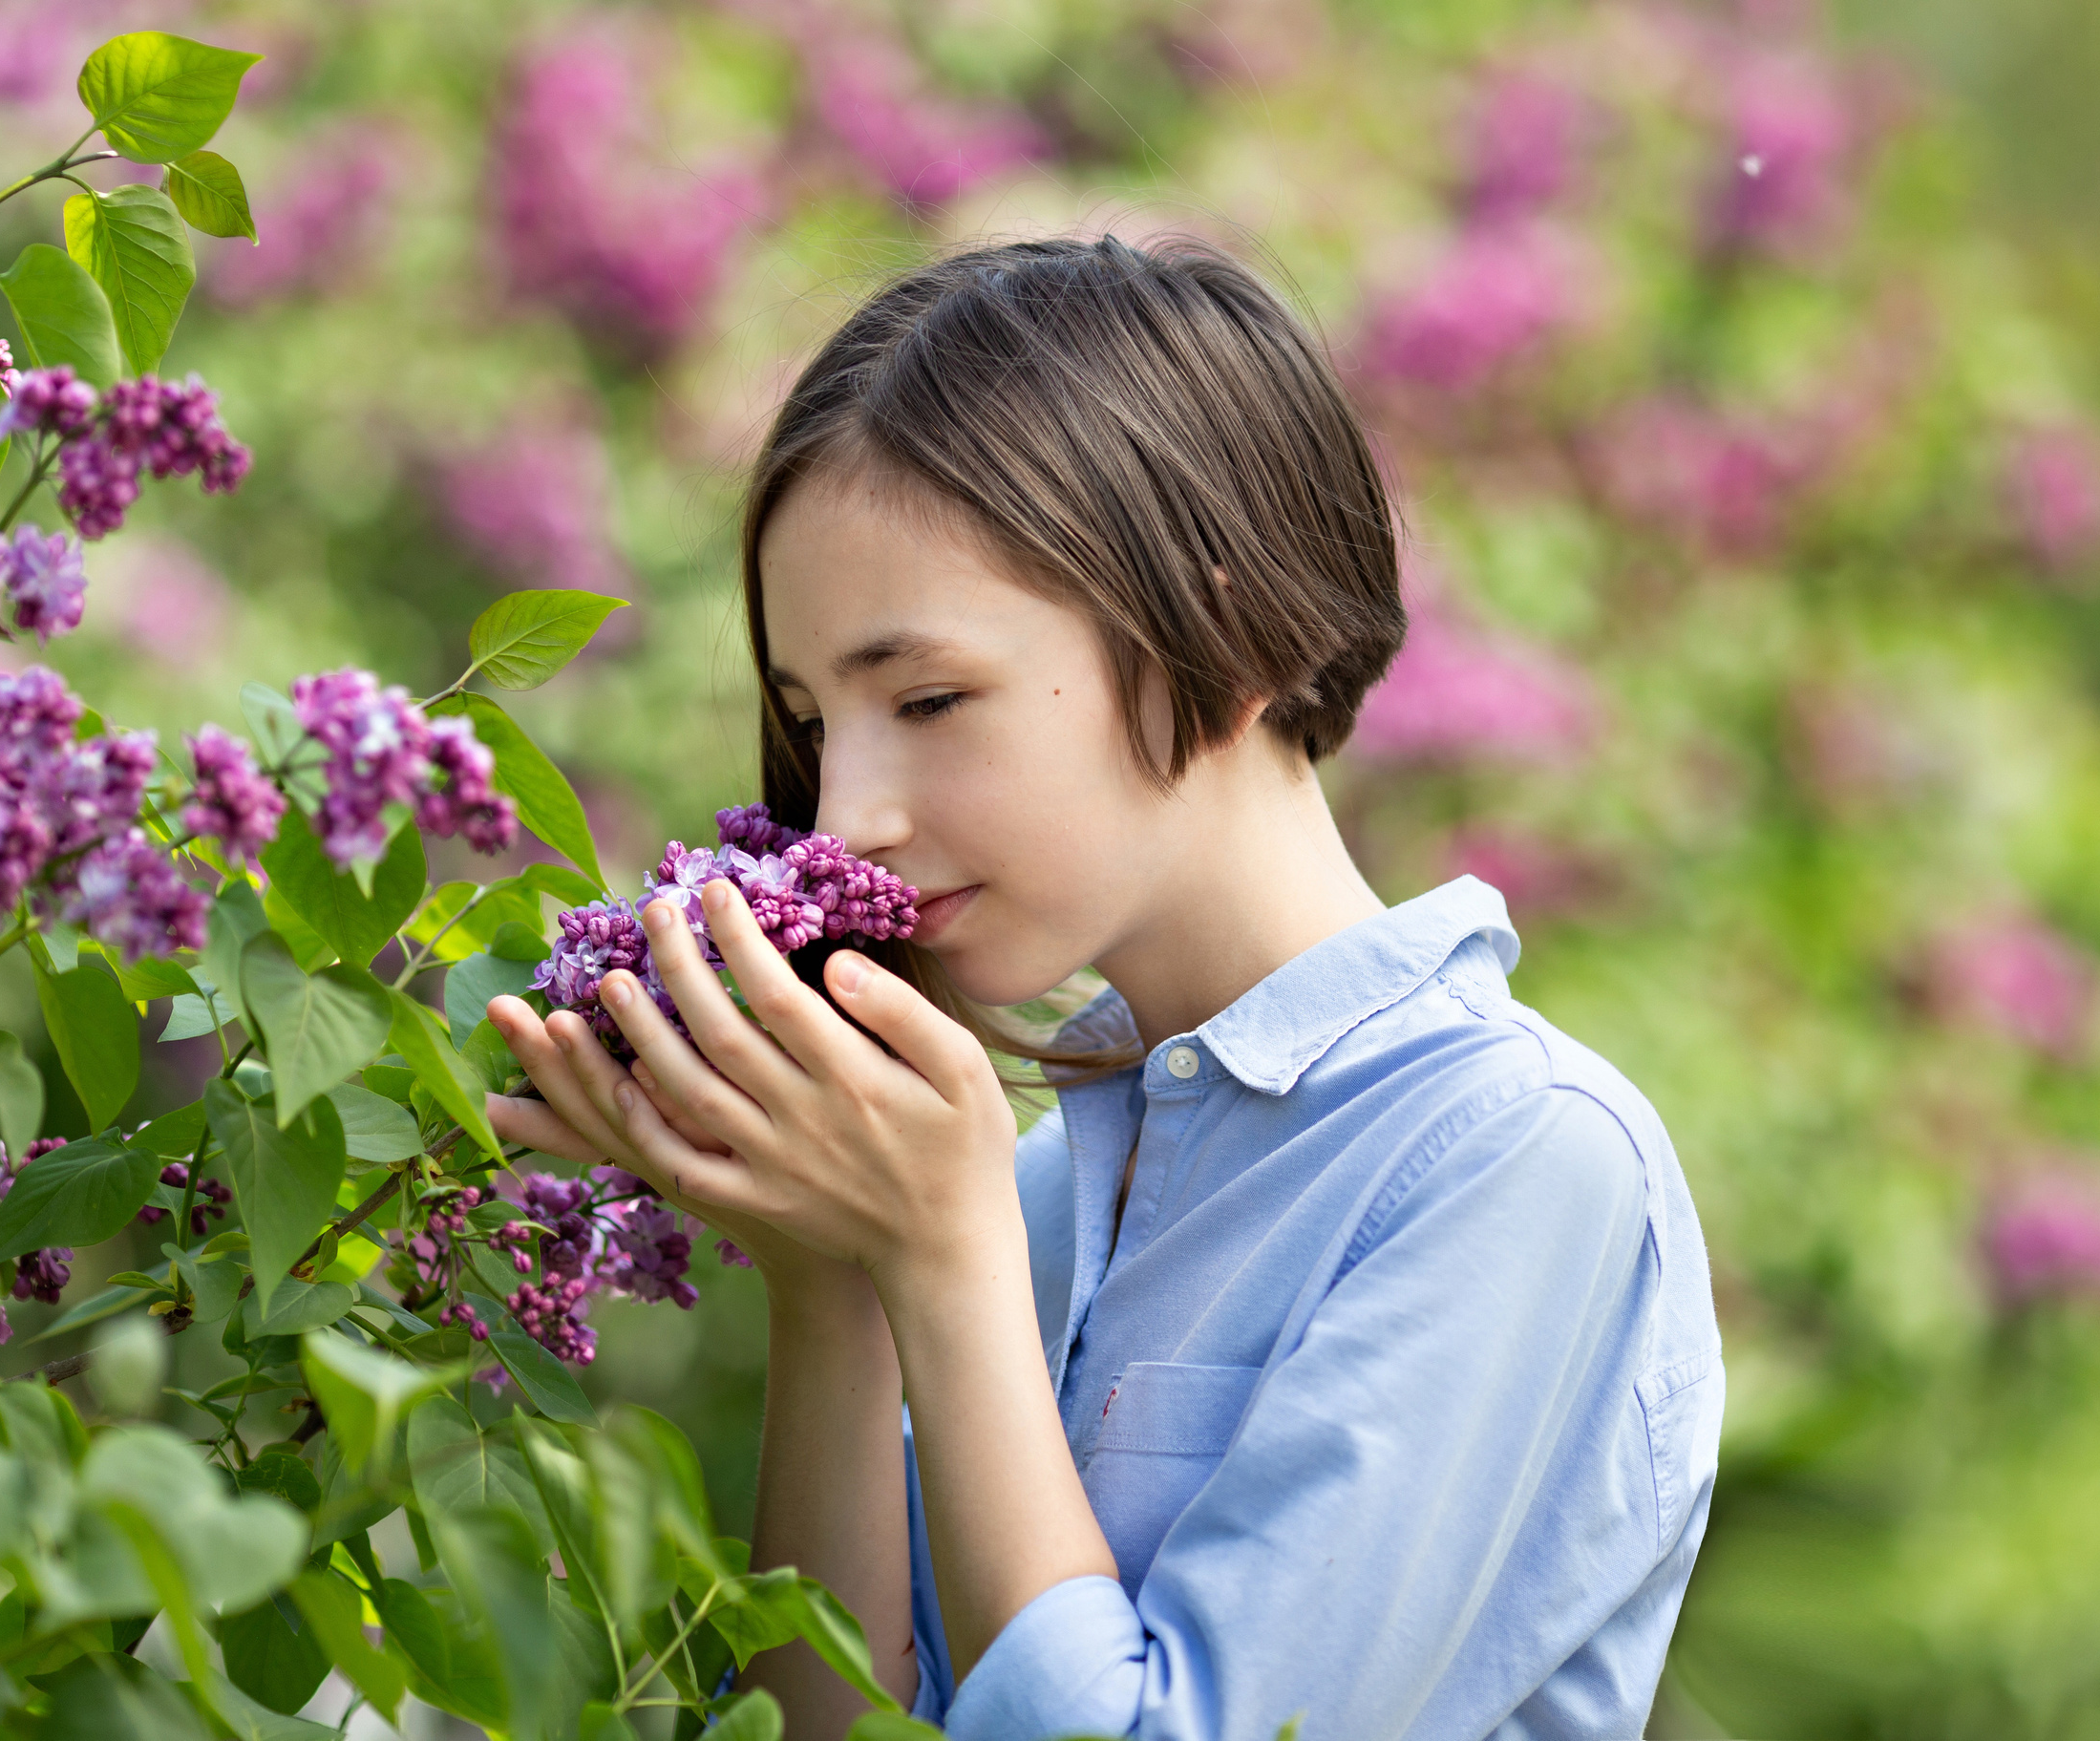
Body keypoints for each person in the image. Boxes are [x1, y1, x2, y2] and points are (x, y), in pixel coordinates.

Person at [484, 234, 1723, 1741]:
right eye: (816, 724)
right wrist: (833, 1288)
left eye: (928, 699)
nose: (842, 815)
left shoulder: (1513, 1163)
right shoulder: (1050, 1191)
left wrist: (942, 1263)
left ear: (1233, 625)